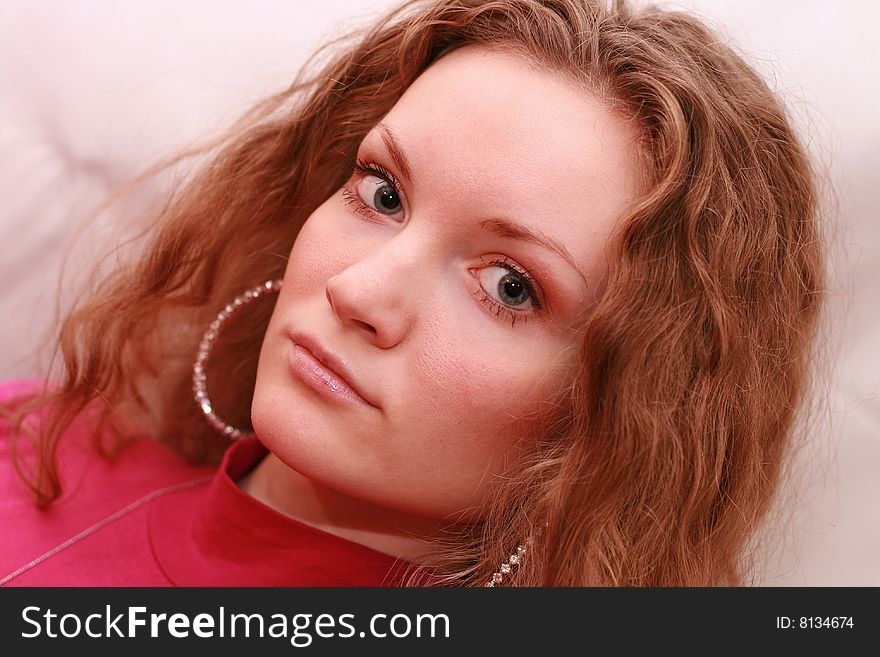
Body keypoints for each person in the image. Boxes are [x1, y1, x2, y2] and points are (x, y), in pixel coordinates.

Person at [0, 0, 824, 587]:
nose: (359, 289)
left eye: (509, 285)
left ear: (619, 413)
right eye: (382, 194)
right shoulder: (33, 444)